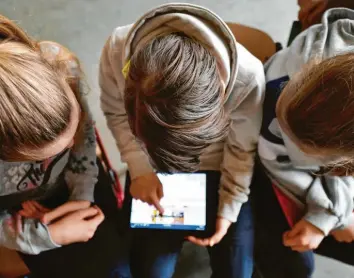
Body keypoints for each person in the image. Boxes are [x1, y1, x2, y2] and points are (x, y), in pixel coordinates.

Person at [100, 3, 265, 278]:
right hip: (150, 166)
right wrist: (141, 170)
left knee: (238, 271)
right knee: (148, 271)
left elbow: (240, 148)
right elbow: (115, 112)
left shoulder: (249, 77)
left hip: (221, 165)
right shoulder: (117, 50)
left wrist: (229, 208)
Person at [0, 15, 126, 278]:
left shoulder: (56, 63)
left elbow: (84, 144)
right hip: (20, 227)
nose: (71, 145)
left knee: (115, 264)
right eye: (49, 153)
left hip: (79, 191)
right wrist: (45, 235)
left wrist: (81, 195)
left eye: (73, 125)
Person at [253, 7, 354, 278]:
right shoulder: (280, 112)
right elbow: (280, 160)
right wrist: (332, 217)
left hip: (316, 174)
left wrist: (331, 216)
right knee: (295, 266)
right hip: (278, 170)